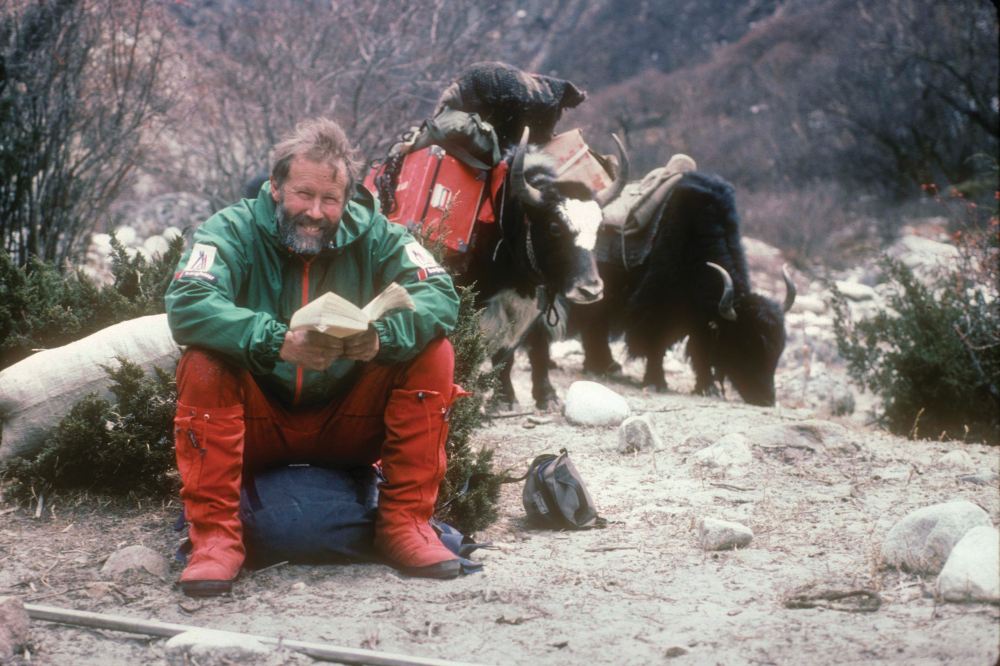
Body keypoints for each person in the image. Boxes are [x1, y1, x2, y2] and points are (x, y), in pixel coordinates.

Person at [165, 117, 463, 597]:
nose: (316, 212)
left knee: (434, 350)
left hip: (348, 422)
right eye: (304, 194)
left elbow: (441, 296)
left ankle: (405, 525)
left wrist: (381, 337)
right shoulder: (232, 229)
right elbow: (187, 303)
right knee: (205, 360)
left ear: (347, 200)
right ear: (276, 187)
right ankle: (215, 538)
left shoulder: (378, 234)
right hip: (258, 424)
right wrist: (276, 339)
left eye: (330, 200)